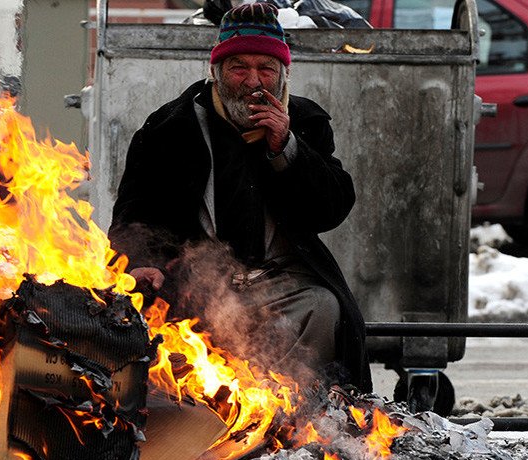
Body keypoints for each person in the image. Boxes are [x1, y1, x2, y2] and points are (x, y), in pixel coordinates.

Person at [108, 2, 372, 392]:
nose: (253, 82)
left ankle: (297, 417)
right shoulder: (170, 128)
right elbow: (134, 213)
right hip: (198, 286)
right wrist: (142, 262)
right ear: (215, 73)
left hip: (280, 283)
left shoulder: (306, 122)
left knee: (324, 306)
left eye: (266, 69)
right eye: (239, 68)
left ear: (284, 75)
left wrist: (287, 149)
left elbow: (330, 209)